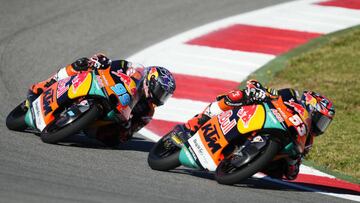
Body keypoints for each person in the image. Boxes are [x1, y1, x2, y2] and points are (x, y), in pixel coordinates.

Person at [170, 79, 335, 180]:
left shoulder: (307, 140)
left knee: (280, 170)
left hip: (266, 153)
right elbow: (273, 94)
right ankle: (195, 123)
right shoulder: (291, 96)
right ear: (310, 108)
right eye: (320, 119)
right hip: (258, 116)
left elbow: (292, 175)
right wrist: (260, 92)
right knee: (239, 96)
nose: (320, 126)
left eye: (324, 123)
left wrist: (293, 160)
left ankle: (241, 158)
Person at [29, 53, 176, 146]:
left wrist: (125, 128)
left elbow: (130, 132)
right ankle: (44, 86)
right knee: (81, 64)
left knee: (113, 140)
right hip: (104, 87)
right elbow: (113, 65)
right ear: (150, 80)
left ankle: (77, 124)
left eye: (165, 95)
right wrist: (100, 62)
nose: (160, 97)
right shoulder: (134, 71)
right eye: (160, 91)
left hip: (111, 118)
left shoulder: (147, 110)